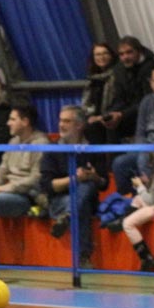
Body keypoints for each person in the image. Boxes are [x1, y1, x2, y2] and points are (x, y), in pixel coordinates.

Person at [39, 105, 108, 268]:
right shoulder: (52, 149)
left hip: (87, 200)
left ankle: (69, 215)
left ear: (79, 125)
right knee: (81, 198)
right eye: (60, 121)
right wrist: (74, 179)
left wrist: (94, 177)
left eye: (67, 121)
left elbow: (104, 184)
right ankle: (83, 256)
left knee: (86, 186)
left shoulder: (93, 148)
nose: (61, 125)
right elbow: (48, 186)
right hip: (59, 201)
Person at [111, 61, 154, 196]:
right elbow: (140, 132)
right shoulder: (146, 101)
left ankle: (152, 197)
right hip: (147, 147)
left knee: (144, 159)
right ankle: (131, 198)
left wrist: (151, 151)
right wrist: (145, 148)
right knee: (120, 163)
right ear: (150, 83)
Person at [82, 42, 117, 145]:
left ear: (111, 55)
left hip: (111, 117)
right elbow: (86, 103)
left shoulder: (117, 76)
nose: (101, 57)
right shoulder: (91, 79)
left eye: (105, 53)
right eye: (98, 54)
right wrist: (90, 116)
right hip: (94, 118)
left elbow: (118, 101)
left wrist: (102, 117)